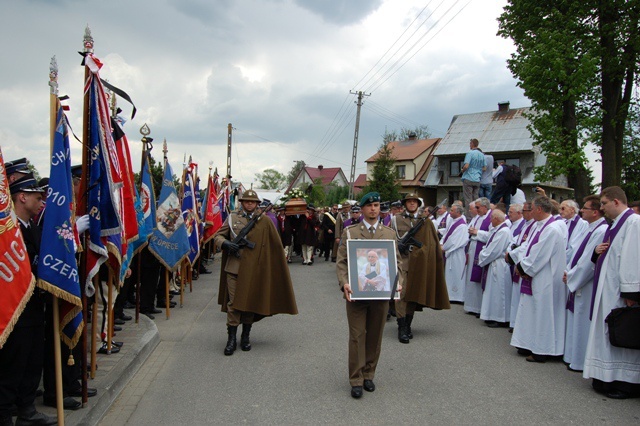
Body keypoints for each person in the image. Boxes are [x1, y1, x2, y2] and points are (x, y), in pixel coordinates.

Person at [0, 172, 56, 426]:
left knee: (32, 361)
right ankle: (4, 413)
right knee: (14, 364)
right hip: (15, 309)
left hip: (34, 306)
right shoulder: (9, 232)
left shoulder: (32, 226)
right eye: (36, 195)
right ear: (21, 197)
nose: (41, 200)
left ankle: (26, 409)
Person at [214, 190, 298, 356]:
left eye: (253, 202)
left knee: (249, 303)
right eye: (247, 201)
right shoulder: (232, 218)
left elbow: (274, 245)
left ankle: (245, 337)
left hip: (254, 269)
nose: (250, 204)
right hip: (235, 267)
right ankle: (231, 339)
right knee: (233, 303)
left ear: (257, 204)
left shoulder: (264, 221)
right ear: (242, 202)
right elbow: (218, 236)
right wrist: (226, 244)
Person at [336, 192, 401, 399]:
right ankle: (355, 379)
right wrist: (345, 283)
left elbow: (397, 263)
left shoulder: (389, 234)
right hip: (357, 294)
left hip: (380, 296)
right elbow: (342, 262)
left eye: (376, 205)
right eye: (369, 205)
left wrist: (398, 283)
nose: (373, 209)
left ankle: (368, 374)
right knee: (357, 336)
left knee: (374, 336)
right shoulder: (350, 232)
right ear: (362, 209)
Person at [583, 186, 640, 399]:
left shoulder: (633, 223)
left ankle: (626, 383)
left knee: (621, 334)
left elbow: (633, 258)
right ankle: (605, 377)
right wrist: (596, 253)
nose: (602, 208)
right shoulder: (616, 224)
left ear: (616, 202)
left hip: (620, 292)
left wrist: (631, 293)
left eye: (605, 203)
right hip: (607, 290)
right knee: (608, 335)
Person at [508, 195, 567, 363]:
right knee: (530, 310)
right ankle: (527, 343)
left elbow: (539, 254)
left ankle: (541, 350)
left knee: (542, 313)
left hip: (545, 276)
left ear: (540, 209)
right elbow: (528, 247)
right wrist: (520, 262)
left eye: (532, 208)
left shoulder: (552, 229)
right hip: (536, 273)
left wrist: (522, 267)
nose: (530, 211)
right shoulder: (538, 226)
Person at [391, 193, 449, 344]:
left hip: (419, 262)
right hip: (402, 261)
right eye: (409, 202)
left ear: (417, 204)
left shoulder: (425, 221)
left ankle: (408, 325)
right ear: (405, 204)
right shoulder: (396, 220)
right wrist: (398, 246)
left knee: (412, 293)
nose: (411, 204)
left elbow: (431, 242)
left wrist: (422, 250)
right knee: (401, 293)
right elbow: (389, 238)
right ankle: (401, 326)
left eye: (414, 202)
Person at [562, 195, 607, 373]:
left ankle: (580, 360)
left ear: (595, 212)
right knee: (576, 318)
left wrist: (572, 276)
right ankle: (573, 356)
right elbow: (575, 252)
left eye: (585, 208)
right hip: (577, 278)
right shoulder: (590, 228)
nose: (582, 211)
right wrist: (569, 270)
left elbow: (589, 261)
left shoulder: (601, 230)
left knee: (582, 319)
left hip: (586, 282)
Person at [478, 210, 512, 327]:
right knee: (493, 292)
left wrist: (482, 254)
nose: (490, 220)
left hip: (499, 264)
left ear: (497, 219)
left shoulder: (503, 231)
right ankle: (492, 315)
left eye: (492, 218)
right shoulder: (498, 230)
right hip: (494, 263)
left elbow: (494, 250)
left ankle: (500, 318)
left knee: (499, 293)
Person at [507, 202, 535, 331]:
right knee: (516, 295)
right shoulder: (525, 224)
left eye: (524, 210)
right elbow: (515, 240)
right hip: (517, 259)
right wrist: (510, 251)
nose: (523, 213)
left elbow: (527, 246)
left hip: (523, 263)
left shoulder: (534, 225)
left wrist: (513, 254)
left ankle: (519, 325)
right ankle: (515, 323)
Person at [464, 197, 492, 316]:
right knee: (471, 279)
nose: (476, 210)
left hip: (482, 250)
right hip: (473, 248)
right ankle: (472, 306)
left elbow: (492, 236)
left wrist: (477, 233)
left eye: (478, 207)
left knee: (479, 280)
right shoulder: (478, 217)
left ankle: (479, 307)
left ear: (485, 207)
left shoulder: (491, 218)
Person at [441, 204, 468, 303]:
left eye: (452, 210)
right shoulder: (453, 222)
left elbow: (453, 240)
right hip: (451, 252)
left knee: (456, 273)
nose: (450, 212)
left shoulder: (462, 225)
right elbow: (447, 235)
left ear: (458, 212)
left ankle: (457, 296)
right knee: (450, 274)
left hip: (457, 253)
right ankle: (449, 295)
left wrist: (443, 248)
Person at [461, 138, 485, 219]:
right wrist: (477, 171)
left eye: (470, 143)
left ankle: (469, 217)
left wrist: (462, 170)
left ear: (472, 144)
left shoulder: (470, 153)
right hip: (477, 179)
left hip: (468, 178)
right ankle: (478, 215)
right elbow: (484, 168)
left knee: (468, 199)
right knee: (476, 199)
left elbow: (466, 166)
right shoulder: (482, 155)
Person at [560, 199, 588, 265]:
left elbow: (575, 246)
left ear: (572, 209)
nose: (560, 211)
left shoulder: (583, 224)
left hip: (570, 261)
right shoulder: (563, 222)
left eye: (563, 208)